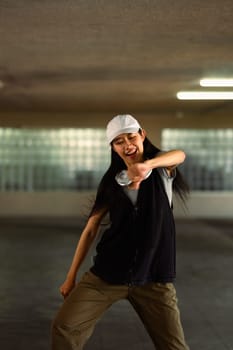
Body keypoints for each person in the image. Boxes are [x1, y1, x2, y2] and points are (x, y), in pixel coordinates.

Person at [51, 114, 190, 350]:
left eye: (131, 137)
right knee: (65, 326)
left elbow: (180, 155)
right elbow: (91, 228)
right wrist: (71, 275)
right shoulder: (110, 182)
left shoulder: (161, 170)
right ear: (113, 148)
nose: (127, 145)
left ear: (142, 136)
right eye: (118, 141)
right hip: (108, 273)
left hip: (154, 277)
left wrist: (147, 165)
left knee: (174, 346)